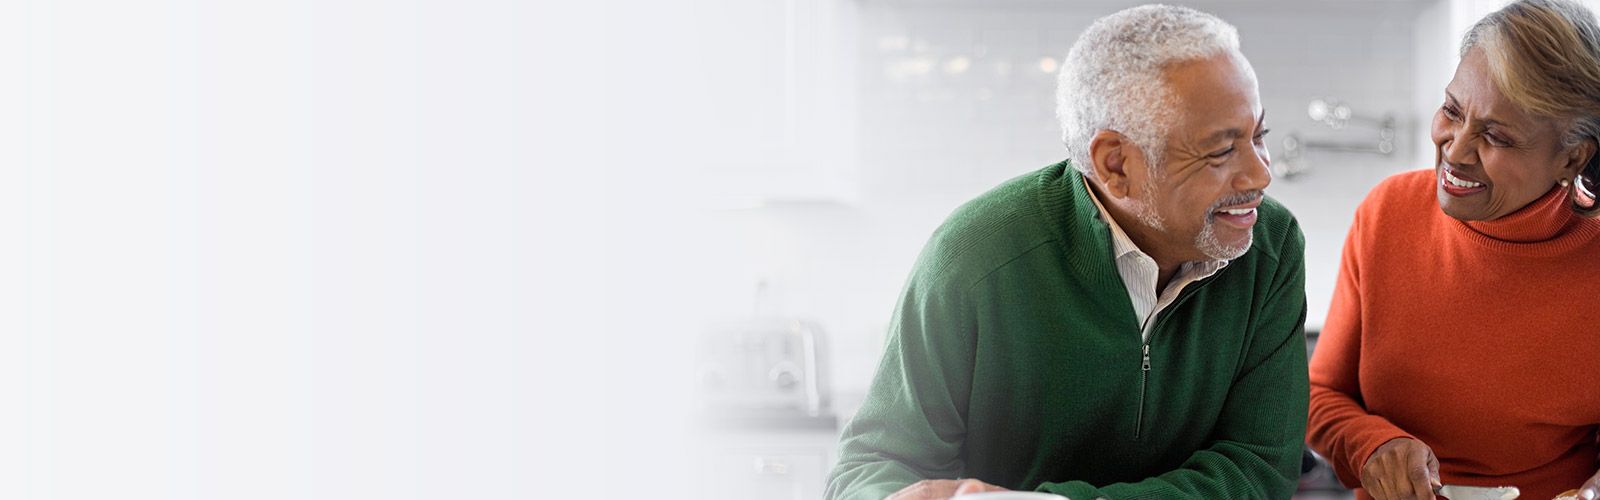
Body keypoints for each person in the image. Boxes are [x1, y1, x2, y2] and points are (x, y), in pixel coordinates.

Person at [824, 5, 1308, 499]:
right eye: (1221, 151)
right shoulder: (974, 255)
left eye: (1259, 136)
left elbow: (1261, 467)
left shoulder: (1271, 246)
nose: (1261, 174)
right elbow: (871, 469)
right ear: (1116, 165)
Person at [1305, 2, 1600, 499]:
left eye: (1496, 137)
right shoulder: (1387, 213)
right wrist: (1372, 446)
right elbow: (1320, 394)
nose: (1455, 150)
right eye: (1452, 111)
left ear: (1572, 159)